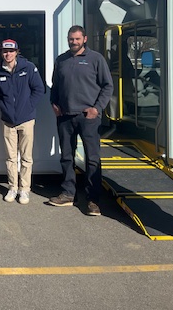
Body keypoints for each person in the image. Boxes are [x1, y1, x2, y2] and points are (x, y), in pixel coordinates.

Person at [48, 25, 113, 216]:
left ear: (84, 39)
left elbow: (107, 86)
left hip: (88, 117)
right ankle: (68, 193)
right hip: (65, 116)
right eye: (71, 39)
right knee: (66, 157)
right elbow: (55, 85)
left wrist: (97, 108)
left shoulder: (96, 59)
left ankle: (92, 200)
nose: (73, 42)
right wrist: (54, 103)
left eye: (77, 39)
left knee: (92, 159)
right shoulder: (62, 60)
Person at [0, 39, 44, 205]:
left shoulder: (28, 68)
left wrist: (28, 107)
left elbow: (39, 89)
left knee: (26, 157)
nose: (8, 54)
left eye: (11, 51)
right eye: (5, 51)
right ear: (1, 52)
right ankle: (12, 187)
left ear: (16, 52)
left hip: (26, 120)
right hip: (8, 120)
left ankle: (25, 189)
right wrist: (3, 106)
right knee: (11, 158)